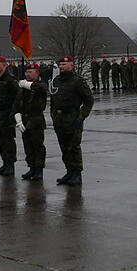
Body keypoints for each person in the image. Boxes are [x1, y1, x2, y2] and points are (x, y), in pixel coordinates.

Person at [49, 56, 94, 186]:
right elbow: (53, 100)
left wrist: (82, 116)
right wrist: (53, 115)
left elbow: (89, 100)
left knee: (73, 146)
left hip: (72, 117)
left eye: (64, 64)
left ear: (71, 65)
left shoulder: (77, 81)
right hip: (59, 118)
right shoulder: (56, 80)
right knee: (64, 147)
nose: (61, 66)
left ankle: (77, 174)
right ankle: (69, 172)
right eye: (60, 64)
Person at [13, 63, 47, 181]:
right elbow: (17, 103)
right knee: (28, 146)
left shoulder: (40, 85)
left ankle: (39, 170)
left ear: (37, 73)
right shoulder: (23, 88)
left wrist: (26, 84)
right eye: (26, 72)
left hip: (36, 119)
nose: (27, 74)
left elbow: (40, 89)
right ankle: (31, 167)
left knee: (37, 146)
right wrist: (18, 119)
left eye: (30, 72)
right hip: (25, 120)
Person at [0, 56, 19, 176]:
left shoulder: (10, 79)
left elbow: (17, 97)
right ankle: (5, 163)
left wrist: (13, 113)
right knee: (1, 141)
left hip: (6, 114)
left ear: (4, 65)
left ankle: (10, 165)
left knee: (8, 141)